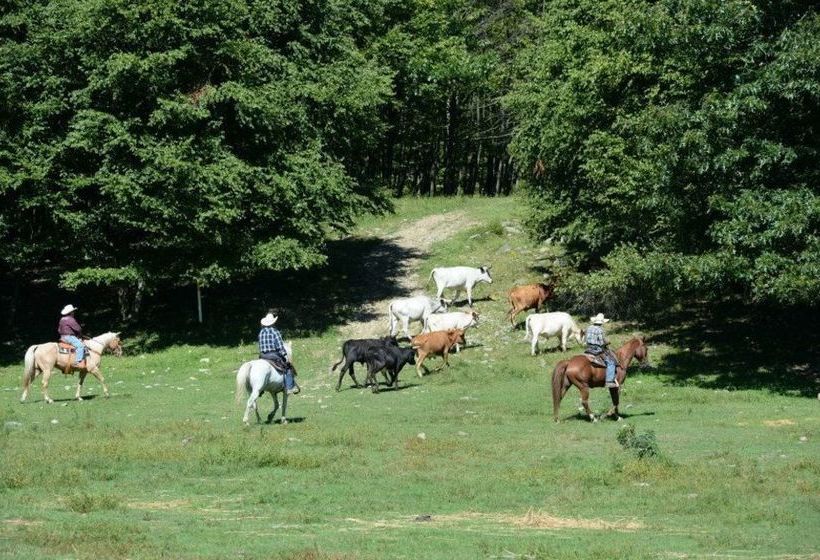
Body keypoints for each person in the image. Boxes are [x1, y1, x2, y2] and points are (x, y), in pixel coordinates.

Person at [258, 311, 300, 395]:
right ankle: (289, 388)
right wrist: (285, 356)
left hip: (262, 356)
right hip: (273, 355)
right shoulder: (275, 331)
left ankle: (260, 389)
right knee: (288, 368)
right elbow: (280, 346)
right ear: (273, 322)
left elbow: (260, 345)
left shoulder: (261, 332)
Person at [585, 312, 618, 388]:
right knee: (611, 362)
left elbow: (586, 339)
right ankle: (609, 381)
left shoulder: (589, 328)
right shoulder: (600, 330)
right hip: (597, 349)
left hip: (588, 348)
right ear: (602, 322)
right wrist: (607, 342)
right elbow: (602, 342)